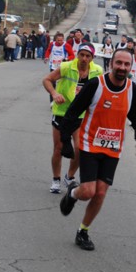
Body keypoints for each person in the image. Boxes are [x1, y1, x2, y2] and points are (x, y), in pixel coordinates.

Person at [58, 48, 136, 251]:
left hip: (113, 149)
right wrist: (65, 140)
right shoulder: (95, 85)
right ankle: (73, 193)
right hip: (90, 144)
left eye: (126, 64)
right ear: (110, 64)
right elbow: (73, 112)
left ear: (130, 67)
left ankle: (83, 231)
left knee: (100, 194)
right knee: (88, 191)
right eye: (119, 63)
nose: (122, 68)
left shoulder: (132, 90)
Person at [43, 43, 103, 194]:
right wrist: (55, 94)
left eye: (87, 56)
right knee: (59, 148)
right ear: (77, 55)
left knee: (79, 149)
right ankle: (56, 179)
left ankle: (69, 176)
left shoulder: (98, 71)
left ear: (92, 58)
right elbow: (47, 80)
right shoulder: (66, 67)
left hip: (81, 114)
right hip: (62, 113)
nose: (84, 58)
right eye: (81, 55)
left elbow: (102, 91)